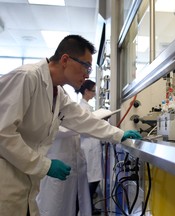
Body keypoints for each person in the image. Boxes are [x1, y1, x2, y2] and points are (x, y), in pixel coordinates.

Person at [0, 35, 142, 216]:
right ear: (65, 59)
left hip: (26, 185)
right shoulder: (26, 77)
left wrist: (119, 134)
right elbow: (2, 132)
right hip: (6, 183)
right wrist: (44, 165)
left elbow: (83, 119)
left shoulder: (58, 93)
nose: (88, 74)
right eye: (86, 66)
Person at [75, 80, 104, 215]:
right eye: (93, 90)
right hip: (87, 147)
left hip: (91, 146)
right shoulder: (82, 108)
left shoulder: (87, 107)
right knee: (90, 181)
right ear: (86, 91)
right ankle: (82, 208)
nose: (94, 93)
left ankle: (88, 207)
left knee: (93, 179)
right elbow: (85, 128)